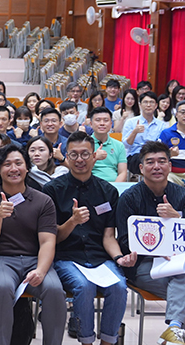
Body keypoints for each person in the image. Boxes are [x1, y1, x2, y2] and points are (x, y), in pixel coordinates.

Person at [0, 144, 65, 345]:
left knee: (54, 289)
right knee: (2, 286)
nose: (14, 169)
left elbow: (48, 241)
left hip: (35, 260)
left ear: (27, 167)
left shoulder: (43, 201)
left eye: (19, 163)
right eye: (7, 164)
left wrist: (41, 271)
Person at [44, 131, 127, 345]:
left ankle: (108, 341)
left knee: (119, 286)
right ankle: (86, 341)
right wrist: (72, 221)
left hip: (99, 258)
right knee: (84, 286)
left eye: (85, 154)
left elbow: (109, 236)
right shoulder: (52, 190)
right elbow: (52, 238)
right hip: (67, 257)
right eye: (74, 155)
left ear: (95, 156)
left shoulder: (108, 191)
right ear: (66, 157)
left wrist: (119, 258)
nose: (80, 160)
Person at [115, 141, 185, 345]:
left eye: (162, 161)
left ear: (170, 166)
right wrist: (155, 251)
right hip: (144, 266)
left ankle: (174, 332)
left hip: (176, 263)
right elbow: (125, 240)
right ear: (141, 169)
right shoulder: (129, 197)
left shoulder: (183, 195)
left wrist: (176, 219)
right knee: (184, 286)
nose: (157, 167)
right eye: (150, 162)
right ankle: (176, 333)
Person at [85, 107, 128, 182]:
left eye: (106, 120)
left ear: (111, 124)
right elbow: (81, 171)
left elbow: (122, 172)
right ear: (91, 124)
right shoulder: (84, 144)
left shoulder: (119, 145)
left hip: (113, 186)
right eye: (98, 120)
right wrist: (95, 158)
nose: (102, 123)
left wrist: (114, 188)